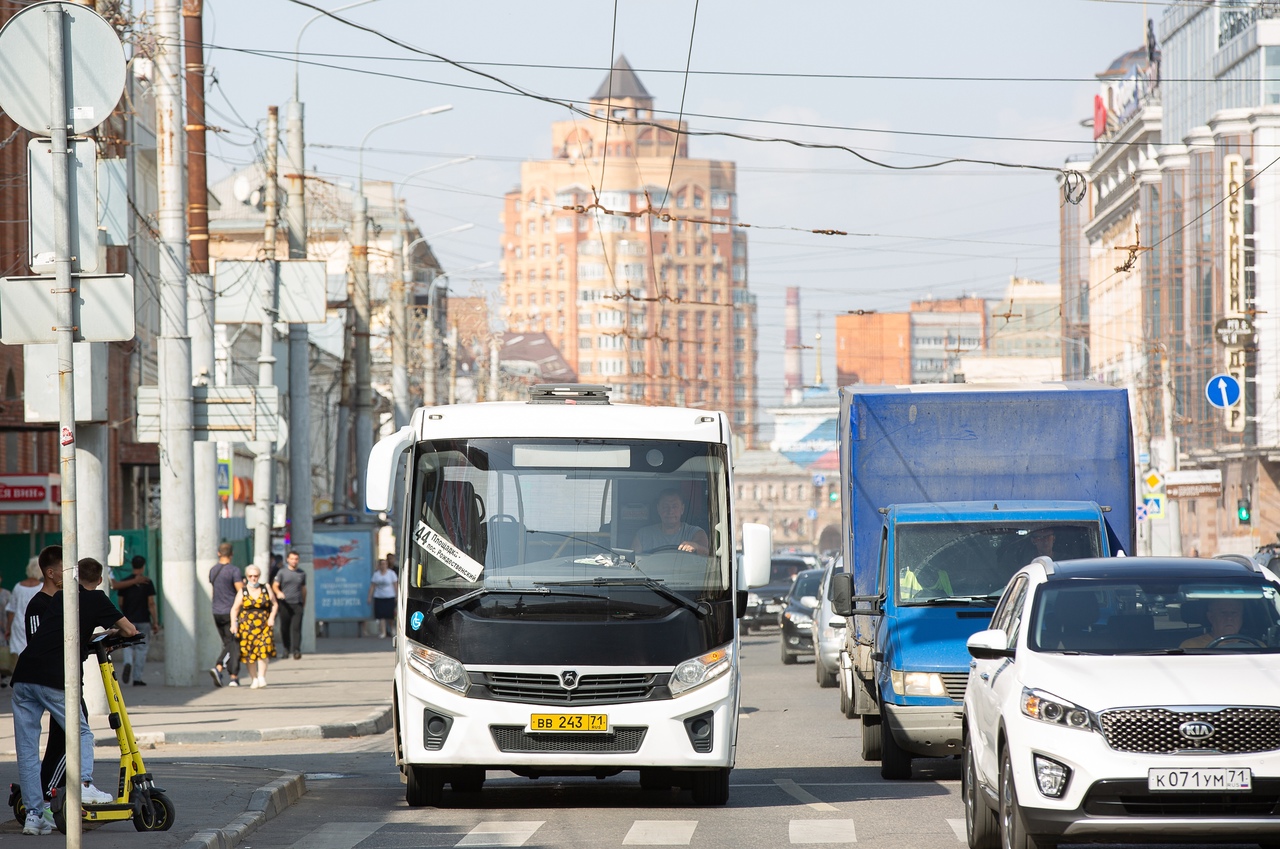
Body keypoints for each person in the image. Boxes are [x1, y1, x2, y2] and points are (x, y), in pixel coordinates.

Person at [10, 550, 137, 835]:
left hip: (24, 678)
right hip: (55, 678)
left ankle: (33, 815)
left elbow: (64, 635)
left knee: (28, 750)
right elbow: (129, 630)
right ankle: (85, 786)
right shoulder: (93, 598)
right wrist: (114, 635)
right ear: (100, 579)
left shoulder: (58, 600)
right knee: (81, 733)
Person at [115, 555, 160, 686]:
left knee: (127, 646)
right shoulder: (147, 582)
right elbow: (151, 603)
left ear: (132, 565)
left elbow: (120, 602)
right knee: (142, 649)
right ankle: (137, 678)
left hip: (128, 620)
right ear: (143, 566)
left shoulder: (124, 582)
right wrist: (155, 622)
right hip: (144, 620)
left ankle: (127, 662)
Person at [231, 565, 277, 688]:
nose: (253, 578)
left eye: (255, 576)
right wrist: (233, 625)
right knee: (250, 654)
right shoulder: (243, 591)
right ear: (247, 577)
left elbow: (274, 604)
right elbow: (235, 609)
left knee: (263, 650)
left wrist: (272, 617)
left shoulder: (265, 588)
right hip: (247, 626)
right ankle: (254, 678)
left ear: (259, 576)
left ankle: (261, 676)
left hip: (264, 624)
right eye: (250, 576)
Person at [631, 489, 709, 555]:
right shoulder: (643, 536)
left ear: (682, 509)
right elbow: (631, 563)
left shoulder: (695, 533)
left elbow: (706, 553)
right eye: (665, 507)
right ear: (658, 509)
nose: (670, 511)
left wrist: (695, 546)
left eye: (674, 506)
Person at [209, 542, 244, 688]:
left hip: (216, 611)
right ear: (232, 555)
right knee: (233, 643)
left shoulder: (213, 570)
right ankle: (219, 668)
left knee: (228, 643)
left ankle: (232, 676)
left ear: (218, 553)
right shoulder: (234, 571)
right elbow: (241, 591)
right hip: (230, 612)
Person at [273, 549, 307, 659]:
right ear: (288, 559)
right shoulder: (282, 572)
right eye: (292, 559)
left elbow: (303, 589)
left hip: (297, 603)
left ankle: (296, 650)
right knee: (285, 627)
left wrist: (303, 602)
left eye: (296, 559)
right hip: (285, 604)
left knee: (296, 628)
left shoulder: (301, 573)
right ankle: (286, 649)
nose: (294, 561)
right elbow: (275, 585)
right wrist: (278, 593)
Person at [6, 558, 43, 656]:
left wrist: (8, 628)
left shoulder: (18, 587)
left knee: (18, 655)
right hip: (35, 625)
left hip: (18, 625)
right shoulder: (42, 587)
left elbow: (11, 610)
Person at [1181, 598, 1247, 649]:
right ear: (1211, 617)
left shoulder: (1254, 645)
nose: (1229, 618)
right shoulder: (1190, 646)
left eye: (1234, 613)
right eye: (1223, 613)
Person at [368, 555, 398, 638]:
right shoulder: (376, 574)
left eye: (385, 564)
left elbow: (395, 585)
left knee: (390, 616)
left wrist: (397, 596)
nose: (383, 565)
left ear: (387, 565)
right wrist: (369, 597)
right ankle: (383, 632)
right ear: (379, 565)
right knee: (381, 615)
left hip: (390, 596)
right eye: (382, 564)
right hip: (379, 597)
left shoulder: (391, 573)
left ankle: (392, 629)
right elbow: (372, 586)